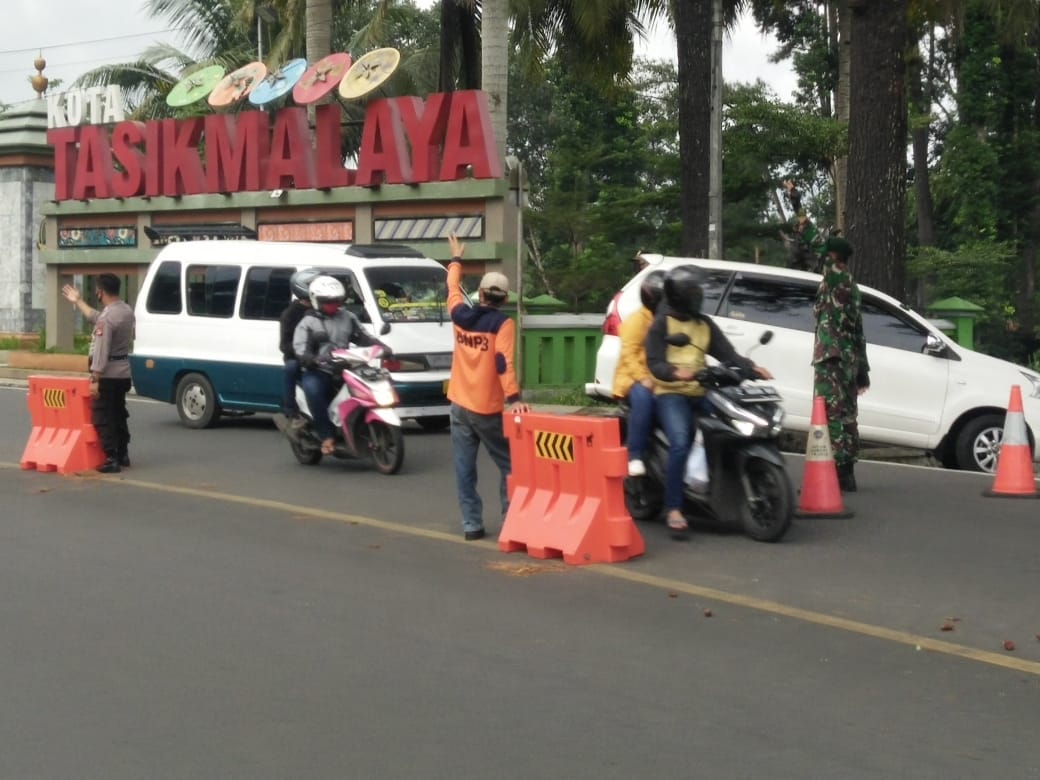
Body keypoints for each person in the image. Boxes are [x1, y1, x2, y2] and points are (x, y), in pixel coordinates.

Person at [646, 265, 773, 538]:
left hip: (702, 391)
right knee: (681, 442)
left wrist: (751, 368)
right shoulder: (662, 324)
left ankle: (746, 486)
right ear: (679, 296)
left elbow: (728, 354)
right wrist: (674, 372)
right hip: (672, 394)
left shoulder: (704, 324)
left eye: (699, 292)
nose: (699, 297)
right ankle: (674, 508)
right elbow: (654, 362)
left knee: (734, 429)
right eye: (694, 292)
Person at [445, 233, 529, 541]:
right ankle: (510, 520)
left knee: (465, 469)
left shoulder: (460, 315)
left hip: (458, 405)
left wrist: (456, 259)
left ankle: (471, 525)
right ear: (504, 299)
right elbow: (502, 362)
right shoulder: (502, 324)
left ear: (479, 293)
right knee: (510, 465)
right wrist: (514, 397)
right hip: (486, 408)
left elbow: (452, 288)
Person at [292, 275, 390, 456]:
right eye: (328, 302)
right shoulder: (307, 323)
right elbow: (300, 349)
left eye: (336, 301)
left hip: (346, 367)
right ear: (316, 300)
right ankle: (326, 436)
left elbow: (363, 337)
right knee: (314, 391)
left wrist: (381, 347)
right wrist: (311, 359)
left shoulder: (348, 317)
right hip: (318, 370)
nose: (333, 305)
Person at [61, 274, 135, 473]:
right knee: (119, 413)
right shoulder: (126, 310)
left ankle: (111, 458)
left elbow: (101, 350)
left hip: (108, 375)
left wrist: (95, 378)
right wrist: (78, 301)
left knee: (103, 416)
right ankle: (123, 453)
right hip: (123, 373)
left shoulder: (108, 318)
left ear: (100, 292)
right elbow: (97, 317)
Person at [813, 236, 870, 492]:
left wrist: (798, 209)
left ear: (835, 257)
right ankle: (847, 472)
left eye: (829, 256)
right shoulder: (852, 287)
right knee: (847, 415)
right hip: (848, 359)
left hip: (831, 357)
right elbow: (859, 331)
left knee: (828, 414)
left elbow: (817, 248)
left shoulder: (837, 280)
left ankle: (832, 473)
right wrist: (863, 372)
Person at [612, 269, 668, 476]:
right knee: (644, 400)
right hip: (633, 379)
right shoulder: (638, 321)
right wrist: (643, 378)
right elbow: (628, 353)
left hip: (661, 377)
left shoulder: (668, 321)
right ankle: (634, 455)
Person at [278, 267, 320, 419]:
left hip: (324, 355)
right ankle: (290, 409)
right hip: (298, 357)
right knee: (291, 368)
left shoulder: (324, 310)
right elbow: (284, 346)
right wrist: (303, 354)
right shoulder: (290, 314)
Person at [782, 179, 825, 272]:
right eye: (799, 227)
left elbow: (798, 208)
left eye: (802, 225)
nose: (801, 227)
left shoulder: (808, 228)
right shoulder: (799, 237)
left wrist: (792, 191)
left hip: (818, 260)